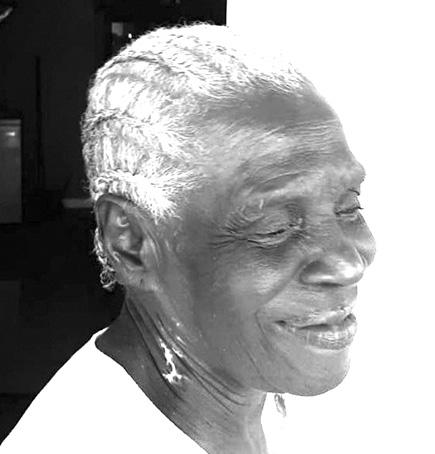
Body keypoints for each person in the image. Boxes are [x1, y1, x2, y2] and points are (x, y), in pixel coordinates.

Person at [1, 23, 375, 453]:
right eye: (274, 226)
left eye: (348, 207)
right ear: (132, 244)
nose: (349, 263)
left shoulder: (271, 390)